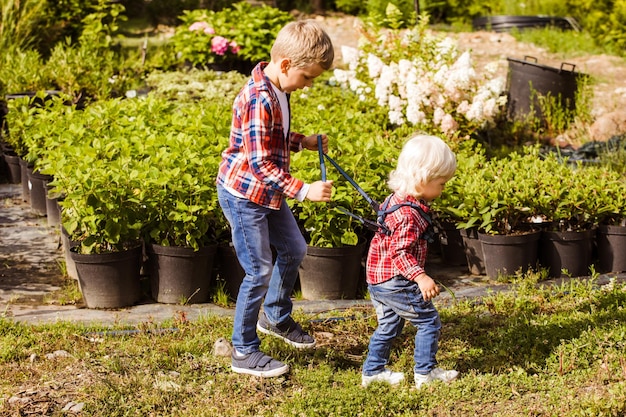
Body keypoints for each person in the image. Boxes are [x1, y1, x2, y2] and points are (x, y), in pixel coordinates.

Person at [216, 20, 335, 378]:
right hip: (244, 194)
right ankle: (243, 349)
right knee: (258, 269)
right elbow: (259, 162)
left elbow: (273, 136)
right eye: (307, 77)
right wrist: (304, 189)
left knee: (295, 249)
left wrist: (302, 141)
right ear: (285, 65)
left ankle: (276, 317)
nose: (309, 85)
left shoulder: (280, 89)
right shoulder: (257, 98)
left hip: (266, 191)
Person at [361, 134, 459, 389]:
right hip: (395, 280)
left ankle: (372, 372)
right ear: (423, 178)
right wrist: (421, 277)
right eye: (442, 183)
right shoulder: (408, 215)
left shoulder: (397, 198)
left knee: (389, 326)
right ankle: (425, 374)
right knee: (428, 322)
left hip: (377, 279)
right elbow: (400, 252)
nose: (444, 188)